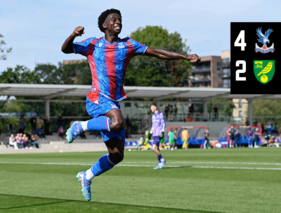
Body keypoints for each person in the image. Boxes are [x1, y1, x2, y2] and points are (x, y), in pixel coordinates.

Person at [62, 8, 200, 201]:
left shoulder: (128, 45)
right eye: (114, 19)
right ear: (104, 25)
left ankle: (87, 176)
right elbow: (66, 49)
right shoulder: (93, 44)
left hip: (112, 102)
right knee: (119, 122)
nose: (118, 21)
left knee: (117, 155)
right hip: (96, 98)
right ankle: (80, 126)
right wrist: (72, 35)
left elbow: (157, 53)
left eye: (120, 19)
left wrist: (184, 57)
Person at [149, 104, 166, 168]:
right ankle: (160, 164)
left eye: (152, 107)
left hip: (159, 133)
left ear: (155, 107)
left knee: (153, 148)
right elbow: (153, 124)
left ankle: (162, 160)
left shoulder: (160, 114)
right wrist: (150, 133)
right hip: (154, 133)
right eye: (151, 108)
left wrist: (163, 131)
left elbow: (163, 123)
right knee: (157, 149)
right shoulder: (153, 115)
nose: (151, 109)